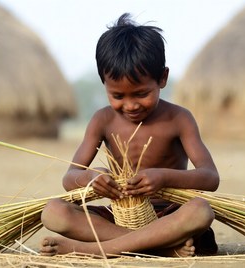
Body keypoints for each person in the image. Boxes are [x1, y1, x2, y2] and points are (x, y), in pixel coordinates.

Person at [40, 13, 220, 257]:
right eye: (118, 96)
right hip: (118, 217)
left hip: (167, 215)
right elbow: (70, 177)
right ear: (104, 84)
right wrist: (91, 178)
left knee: (200, 210)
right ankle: (161, 248)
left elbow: (210, 177)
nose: (131, 105)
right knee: (53, 211)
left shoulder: (179, 118)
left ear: (163, 78)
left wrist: (164, 178)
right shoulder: (102, 120)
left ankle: (92, 250)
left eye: (141, 93)